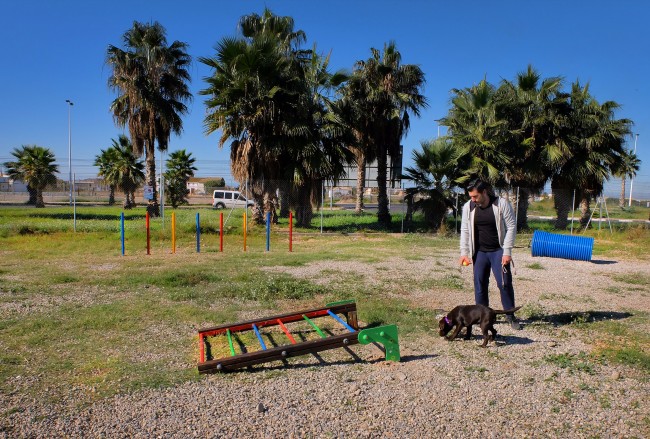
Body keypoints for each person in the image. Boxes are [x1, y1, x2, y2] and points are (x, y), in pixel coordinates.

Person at [459, 178, 521, 330]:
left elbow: (511, 227)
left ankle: (510, 315)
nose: (473, 199)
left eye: (475, 196)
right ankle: (482, 315)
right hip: (479, 252)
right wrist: (464, 252)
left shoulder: (501, 204)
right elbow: (465, 230)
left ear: (484, 192)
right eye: (471, 197)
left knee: (504, 283)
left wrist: (507, 251)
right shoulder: (469, 207)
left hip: (498, 251)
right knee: (480, 285)